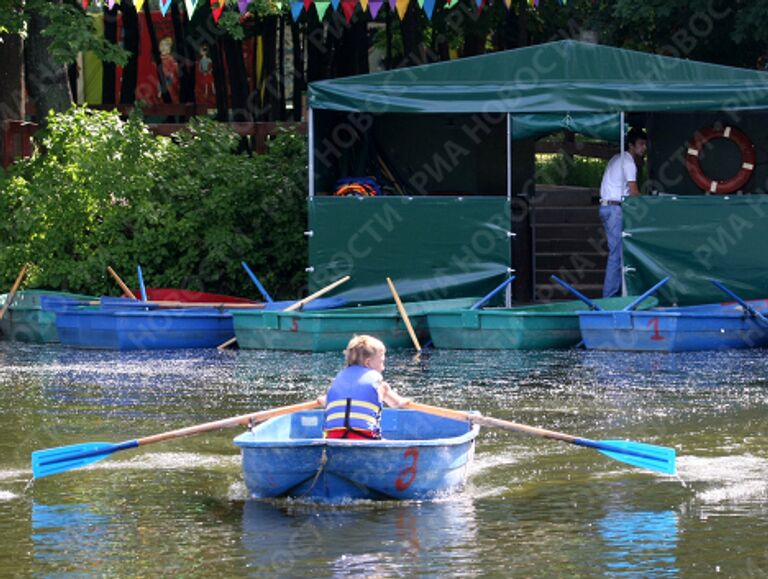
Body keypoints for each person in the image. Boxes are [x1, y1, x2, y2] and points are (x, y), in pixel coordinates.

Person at [317, 335, 411, 440]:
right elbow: (396, 403)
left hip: (333, 438)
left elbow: (328, 401)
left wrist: (323, 400)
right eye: (381, 362)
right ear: (367, 363)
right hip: (364, 437)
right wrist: (404, 401)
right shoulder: (380, 385)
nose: (383, 367)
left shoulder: (337, 382)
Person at [599, 127, 648, 298]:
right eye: (641, 144)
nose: (644, 148)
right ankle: (610, 296)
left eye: (645, 145)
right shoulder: (628, 163)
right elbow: (634, 192)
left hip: (607, 207)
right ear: (631, 145)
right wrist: (648, 204)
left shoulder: (615, 158)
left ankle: (616, 292)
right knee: (617, 254)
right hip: (615, 209)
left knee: (616, 252)